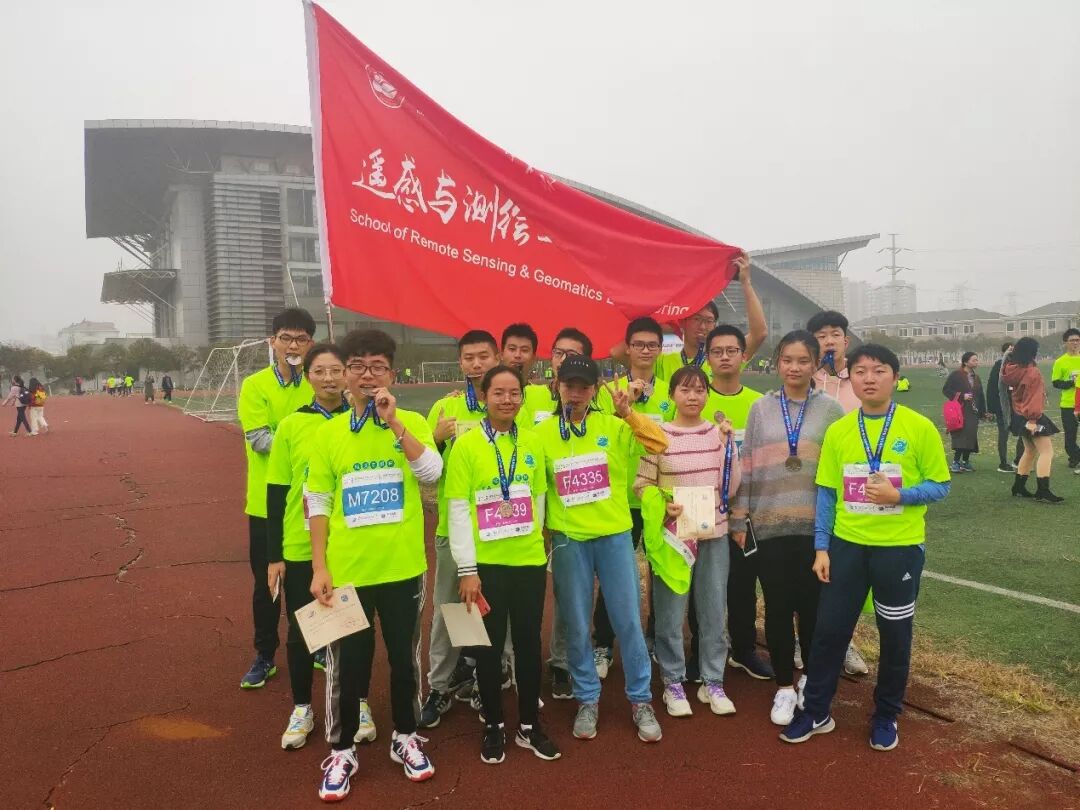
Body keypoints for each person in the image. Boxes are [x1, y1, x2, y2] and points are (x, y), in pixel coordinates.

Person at [780, 343, 951, 752]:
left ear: (895, 377)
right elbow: (827, 493)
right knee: (829, 633)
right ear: (850, 378)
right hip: (847, 548)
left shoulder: (918, 427)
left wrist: (900, 496)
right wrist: (822, 548)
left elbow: (940, 485)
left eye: (878, 370)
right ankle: (816, 711)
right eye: (860, 371)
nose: (869, 378)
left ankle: (886, 715)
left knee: (895, 636)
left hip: (899, 549)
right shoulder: (840, 430)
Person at [306, 328, 442, 799]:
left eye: (378, 366)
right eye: (358, 366)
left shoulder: (411, 421)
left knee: (405, 660)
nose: (368, 375)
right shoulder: (328, 434)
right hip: (348, 573)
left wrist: (395, 424)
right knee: (347, 667)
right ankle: (342, 750)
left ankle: (406, 736)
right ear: (345, 374)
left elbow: (432, 473)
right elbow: (318, 501)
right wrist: (319, 566)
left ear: (392, 374)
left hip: (403, 568)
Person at [537, 354, 668, 743]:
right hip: (569, 540)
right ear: (557, 386)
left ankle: (640, 700)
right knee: (577, 625)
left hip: (613, 537)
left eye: (583, 387)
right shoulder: (541, 433)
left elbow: (659, 443)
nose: (576, 393)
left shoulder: (613, 425)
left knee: (627, 621)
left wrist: (628, 413)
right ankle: (587, 698)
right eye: (569, 386)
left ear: (595, 390)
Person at [446, 364, 561, 765]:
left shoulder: (532, 441)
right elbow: (458, 509)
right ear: (483, 396)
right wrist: (467, 569)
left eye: (515, 393)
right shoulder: (466, 446)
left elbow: (539, 497)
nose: (507, 400)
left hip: (528, 561)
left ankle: (529, 724)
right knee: (488, 648)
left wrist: (539, 546)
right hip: (487, 565)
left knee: (529, 644)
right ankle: (494, 723)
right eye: (499, 392)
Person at [730, 332, 845, 726]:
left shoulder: (831, 410)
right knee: (778, 608)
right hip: (769, 525)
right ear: (777, 363)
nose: (794, 368)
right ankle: (783, 686)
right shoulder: (760, 409)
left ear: (815, 364)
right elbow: (746, 465)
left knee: (812, 610)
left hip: (816, 529)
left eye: (803, 360)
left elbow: (839, 470)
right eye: (787, 360)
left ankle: (810, 680)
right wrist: (740, 517)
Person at [265, 343, 360, 752]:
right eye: (319, 371)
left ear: (347, 374)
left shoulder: (361, 422)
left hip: (350, 542)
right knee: (304, 629)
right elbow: (276, 491)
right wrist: (274, 555)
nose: (329, 378)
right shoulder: (291, 425)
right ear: (308, 377)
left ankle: (358, 703)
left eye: (336, 370)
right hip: (301, 543)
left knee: (353, 629)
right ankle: (302, 707)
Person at [635, 366, 741, 718]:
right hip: (674, 538)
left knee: (713, 610)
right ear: (672, 395)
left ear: (707, 395)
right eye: (685, 389)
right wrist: (664, 504)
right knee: (669, 611)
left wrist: (730, 447)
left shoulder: (717, 435)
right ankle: (673, 681)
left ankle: (713, 680)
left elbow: (731, 486)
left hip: (713, 536)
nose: (693, 396)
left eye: (699, 390)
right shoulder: (658, 436)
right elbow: (642, 485)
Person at [419, 331, 508, 730]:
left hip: (501, 526)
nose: (476, 363)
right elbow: (425, 468)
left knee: (497, 606)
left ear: (496, 357)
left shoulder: (507, 403)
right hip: (454, 527)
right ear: (460, 362)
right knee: (451, 607)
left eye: (483, 356)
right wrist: (436, 439)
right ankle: (440, 684)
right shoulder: (445, 406)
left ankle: (492, 675)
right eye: (469, 357)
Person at [237, 308, 317, 689]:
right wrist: (308, 444)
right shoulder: (255, 386)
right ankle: (265, 654)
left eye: (301, 339)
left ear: (311, 344)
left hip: (313, 502)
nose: (293, 346)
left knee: (313, 577)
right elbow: (259, 440)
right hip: (266, 502)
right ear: (273, 342)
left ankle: (316, 645)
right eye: (286, 338)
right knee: (268, 583)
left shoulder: (319, 383)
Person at [591, 316, 674, 680]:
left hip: (658, 497)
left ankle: (655, 637)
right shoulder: (608, 390)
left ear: (660, 350)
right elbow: (599, 432)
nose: (645, 350)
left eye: (652, 344)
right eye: (638, 344)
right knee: (614, 576)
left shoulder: (672, 390)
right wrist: (626, 405)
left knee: (661, 572)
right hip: (619, 498)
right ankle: (603, 643)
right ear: (627, 349)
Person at [519, 326, 592, 701]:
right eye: (559, 353)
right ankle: (511, 661)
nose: (564, 360)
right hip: (525, 510)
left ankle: (562, 662)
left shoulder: (593, 400)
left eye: (573, 354)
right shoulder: (526, 394)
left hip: (572, 514)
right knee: (518, 590)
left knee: (569, 595)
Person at [702, 324, 773, 681]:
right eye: (717, 351)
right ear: (708, 358)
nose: (725, 357)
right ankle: (702, 653)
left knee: (744, 583)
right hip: (706, 510)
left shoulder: (761, 404)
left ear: (744, 356)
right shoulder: (695, 398)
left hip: (750, 511)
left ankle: (743, 650)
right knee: (705, 585)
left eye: (732, 350)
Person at [806, 310, 870, 677]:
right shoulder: (806, 379)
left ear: (846, 340)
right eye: (821, 335)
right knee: (809, 564)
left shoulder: (860, 377)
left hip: (851, 487)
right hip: (808, 484)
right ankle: (804, 636)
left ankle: (846, 642)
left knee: (846, 570)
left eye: (834, 334)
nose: (828, 341)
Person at [655, 253, 766, 380]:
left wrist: (746, 282)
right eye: (697, 319)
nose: (703, 326)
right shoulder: (661, 361)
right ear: (682, 322)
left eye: (709, 321)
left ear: (714, 325)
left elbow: (759, 334)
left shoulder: (724, 360)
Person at [1003, 338, 1064, 503]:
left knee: (1029, 451)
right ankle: (1043, 491)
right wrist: (1033, 420)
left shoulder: (1011, 369)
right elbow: (1033, 397)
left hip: (1019, 414)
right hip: (1031, 416)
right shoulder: (1032, 372)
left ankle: (1019, 487)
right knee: (1047, 452)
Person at [942, 352, 987, 473]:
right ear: (966, 362)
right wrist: (962, 396)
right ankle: (956, 462)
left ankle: (965, 461)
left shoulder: (976, 377)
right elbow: (946, 390)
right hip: (960, 411)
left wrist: (983, 412)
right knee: (961, 436)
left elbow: (981, 395)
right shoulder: (956, 375)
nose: (976, 362)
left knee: (971, 436)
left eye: (977, 360)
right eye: (974, 360)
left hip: (973, 412)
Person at [987, 343, 1024, 473]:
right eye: (1010, 349)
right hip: (1002, 407)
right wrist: (991, 409)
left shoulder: (1020, 365)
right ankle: (1003, 463)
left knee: (1023, 433)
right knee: (1003, 434)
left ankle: (1018, 461)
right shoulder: (998, 366)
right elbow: (992, 387)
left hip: (1018, 406)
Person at [1051, 328, 1080, 471]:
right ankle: (1075, 457)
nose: (1075, 343)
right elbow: (1056, 382)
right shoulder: (1060, 362)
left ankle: (1075, 458)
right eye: (1072, 340)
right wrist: (1071, 383)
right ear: (1065, 343)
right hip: (1068, 404)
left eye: (1077, 340)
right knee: (1070, 438)